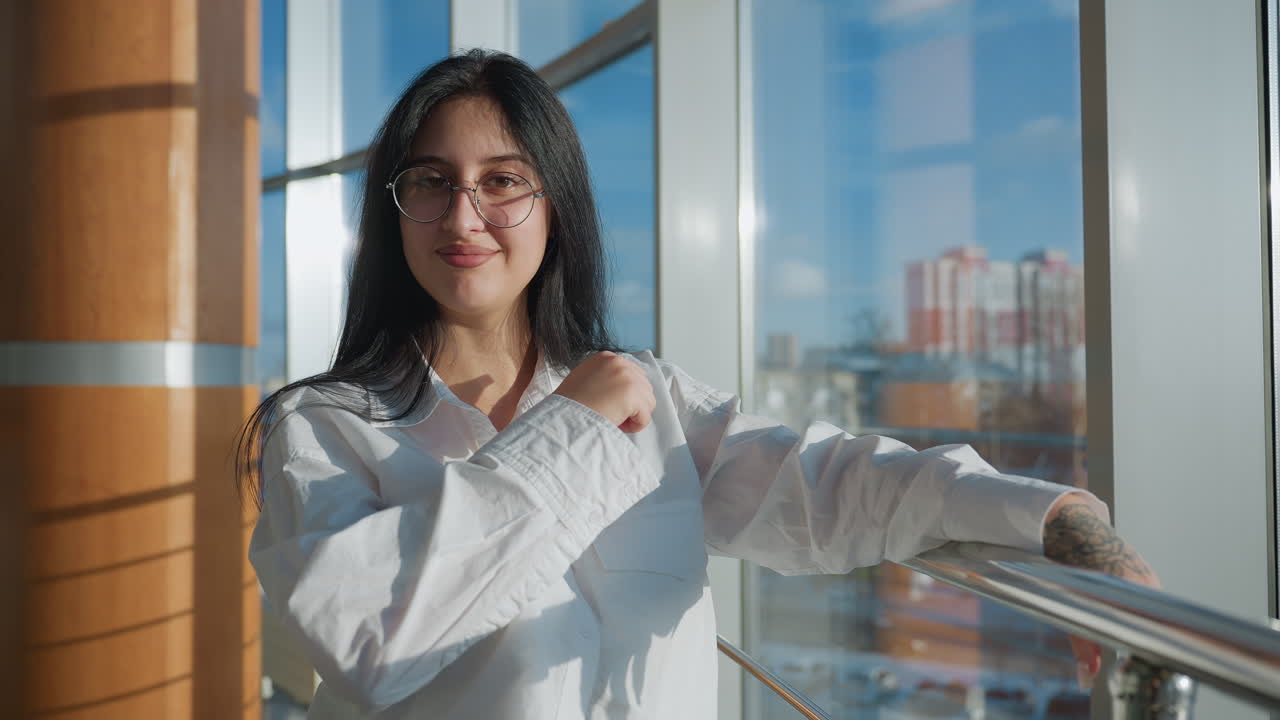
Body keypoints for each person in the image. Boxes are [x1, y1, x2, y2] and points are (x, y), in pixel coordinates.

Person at [240, 49, 1157, 720]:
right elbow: (370, 639)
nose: (464, 215)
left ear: (554, 210)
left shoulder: (653, 399)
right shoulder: (327, 426)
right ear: (394, 211)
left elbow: (832, 486)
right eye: (431, 182)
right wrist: (575, 429)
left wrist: (1057, 519)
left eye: (503, 181)